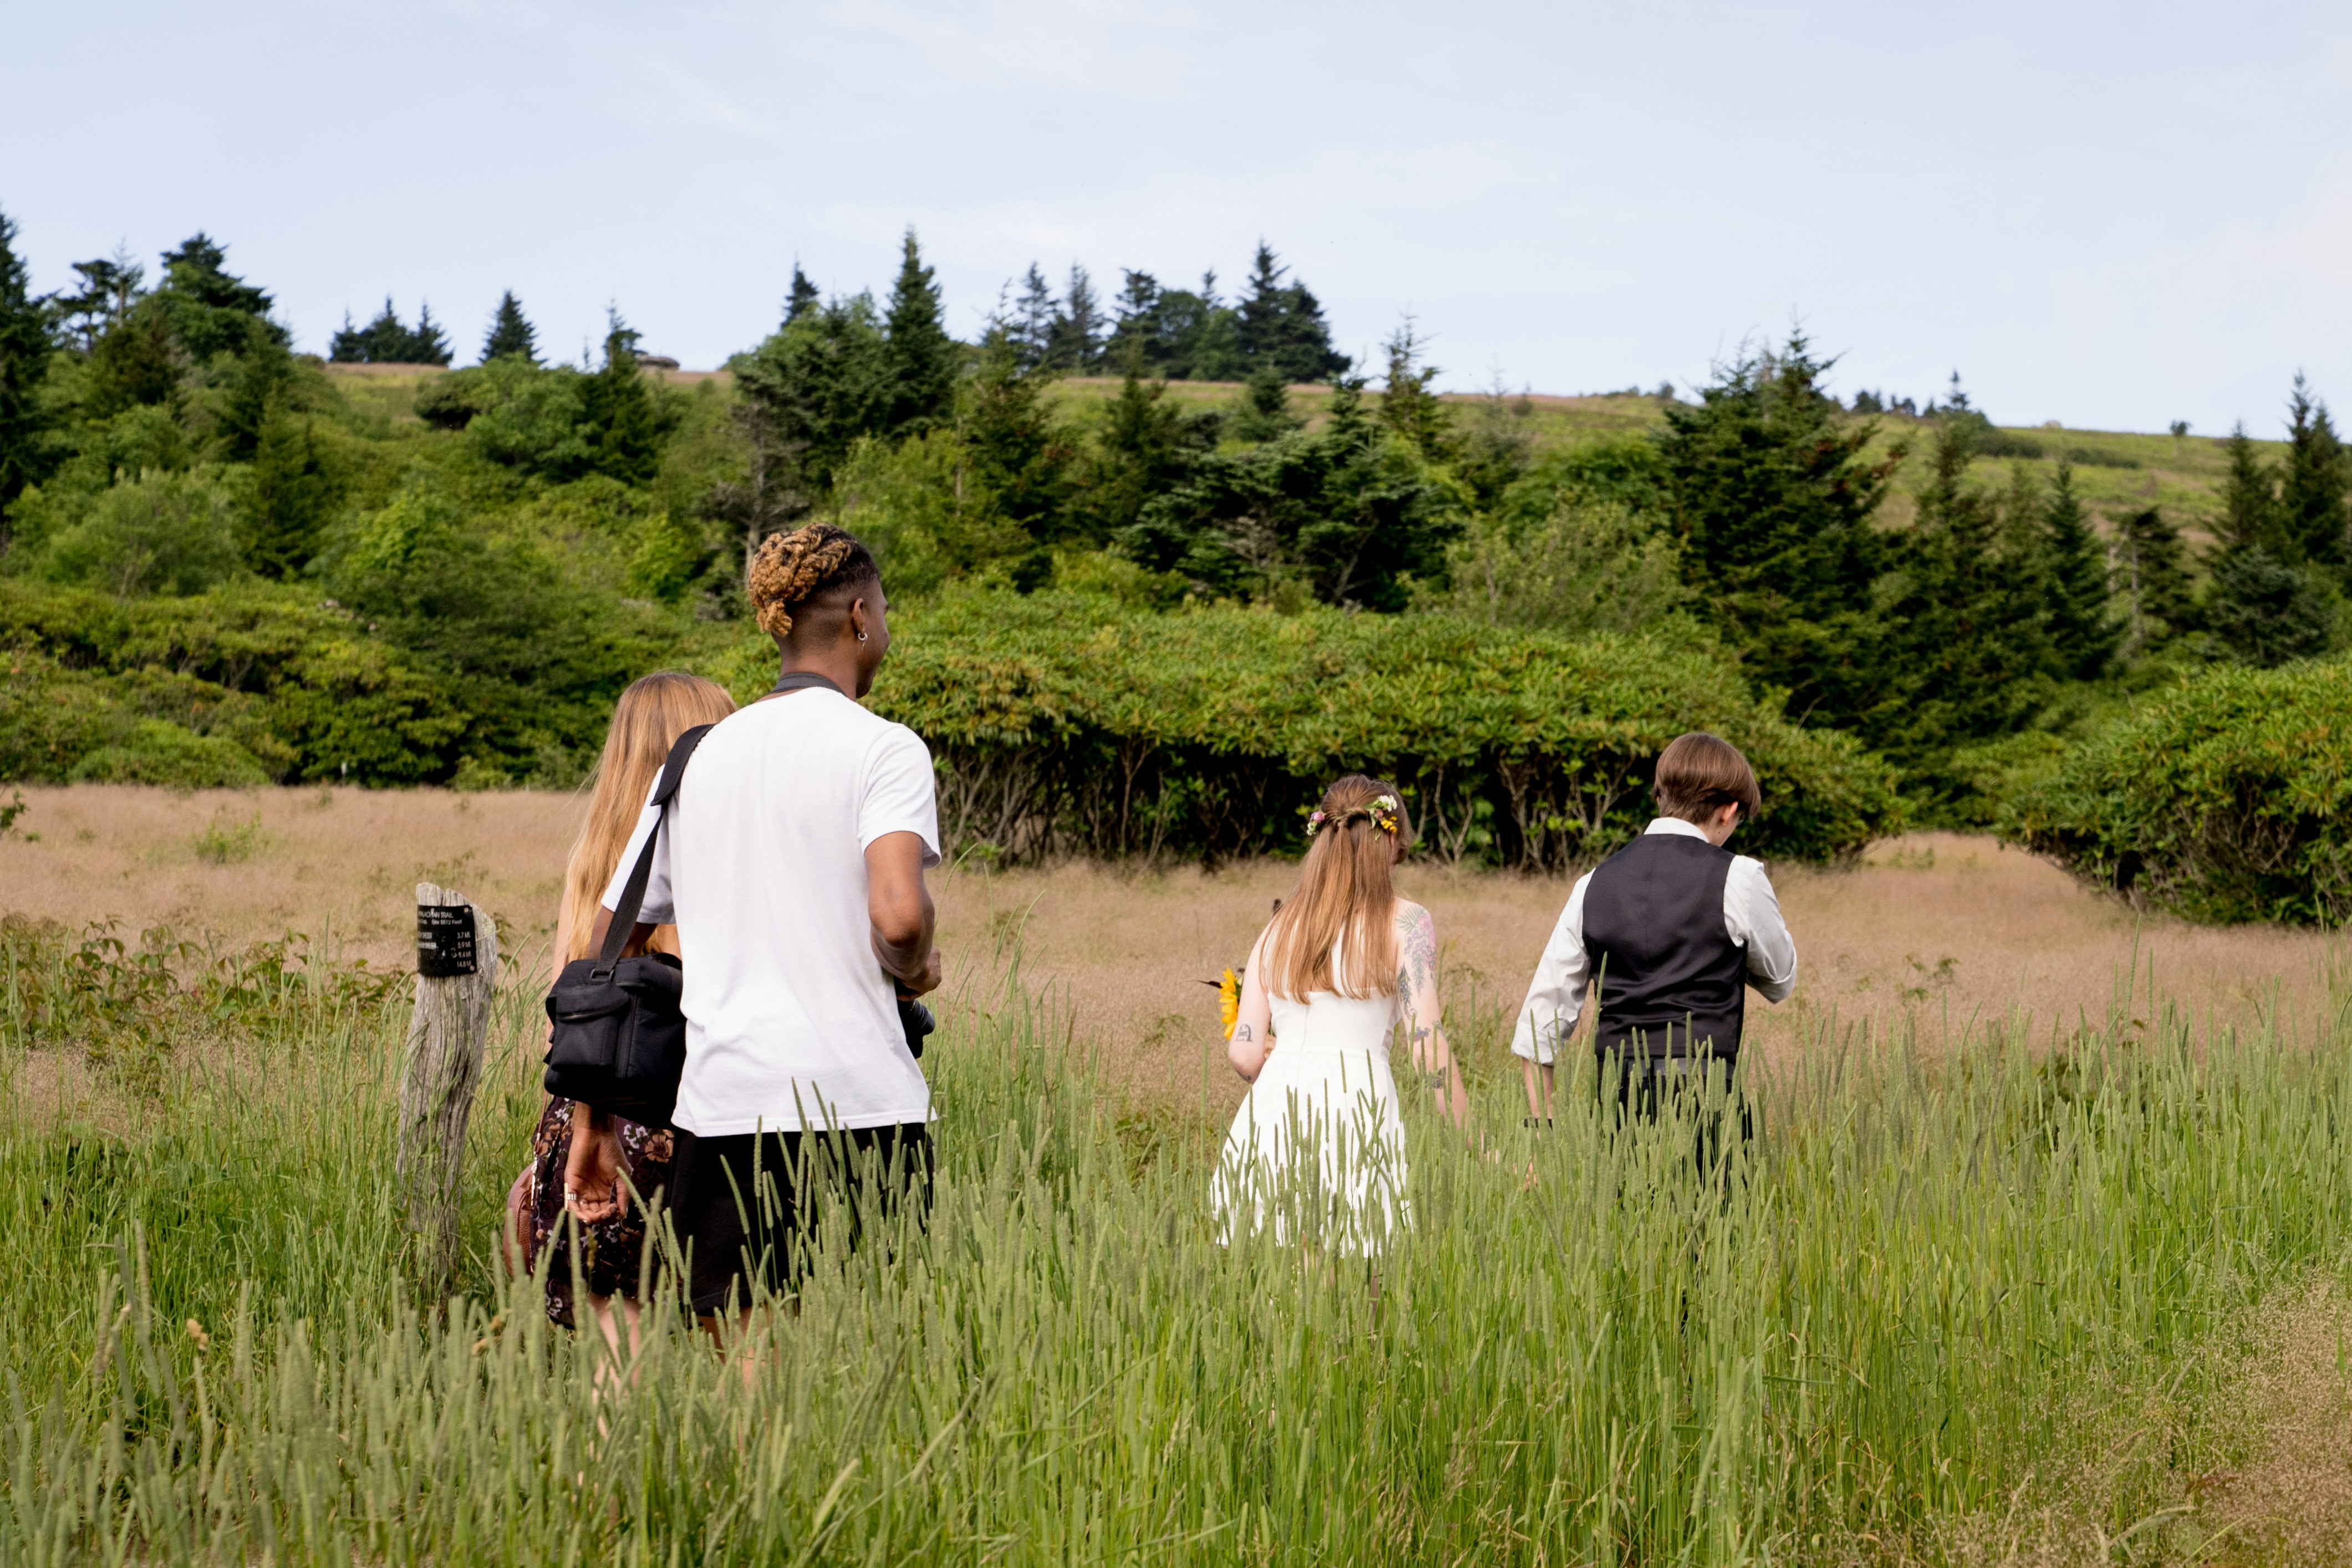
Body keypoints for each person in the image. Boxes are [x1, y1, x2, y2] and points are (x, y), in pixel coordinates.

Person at [565, 523, 943, 1331]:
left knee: (748, 1368)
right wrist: (915, 963)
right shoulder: (885, 751)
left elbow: (604, 941)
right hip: (862, 1106)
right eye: (883, 612)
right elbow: (899, 914)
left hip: (727, 1110)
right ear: (859, 618)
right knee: (869, 1355)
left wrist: (592, 1122)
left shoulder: (697, 759)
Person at [506, 670, 736, 1342]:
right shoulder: (730, 861)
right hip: (708, 1125)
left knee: (617, 1348)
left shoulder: (591, 868)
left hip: (597, 1125)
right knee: (738, 1340)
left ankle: (620, 1449)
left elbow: (561, 1029)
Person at [1214, 775, 1470, 1254]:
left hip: (1274, 1112)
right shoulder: (1407, 922)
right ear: (1390, 839)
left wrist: (1288, 1060)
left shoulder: (1280, 924)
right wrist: (1477, 1142)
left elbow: (1245, 1055)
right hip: (1358, 1109)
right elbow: (1427, 1044)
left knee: (1285, 1297)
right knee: (1356, 1296)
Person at [1511, 732, 1798, 1139]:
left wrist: (1541, 1132)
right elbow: (1781, 981)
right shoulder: (1739, 877)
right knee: (1714, 1203)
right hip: (1707, 1098)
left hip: (1616, 1104)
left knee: (1623, 1204)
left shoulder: (1592, 884)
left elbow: (1540, 1024)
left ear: (1660, 797)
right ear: (1728, 811)